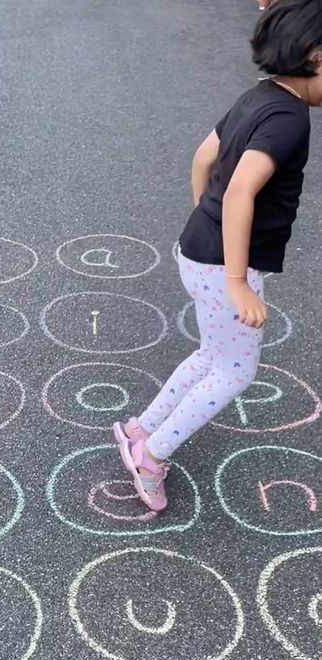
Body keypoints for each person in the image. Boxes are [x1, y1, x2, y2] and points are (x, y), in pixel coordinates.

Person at [113, 0, 321, 512]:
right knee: (235, 371)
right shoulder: (290, 118)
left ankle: (142, 428)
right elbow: (239, 193)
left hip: (198, 248)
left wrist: (201, 218)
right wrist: (236, 281)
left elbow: (205, 155)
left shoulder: (258, 97)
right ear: (317, 56)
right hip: (223, 264)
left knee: (213, 355)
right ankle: (151, 455)